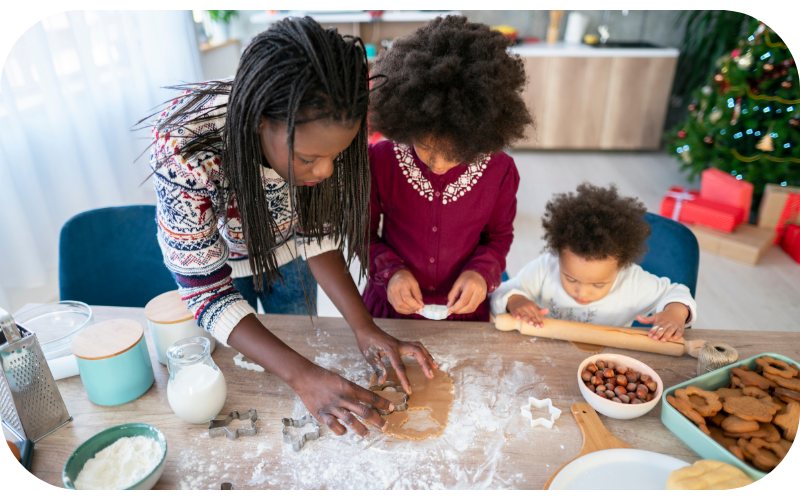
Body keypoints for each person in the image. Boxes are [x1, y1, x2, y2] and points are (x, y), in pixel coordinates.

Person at [147, 18, 435, 437]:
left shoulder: (326, 125)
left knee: (301, 334)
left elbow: (316, 235)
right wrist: (303, 377)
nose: (325, 169)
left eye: (336, 155)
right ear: (260, 122)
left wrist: (363, 326)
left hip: (291, 252)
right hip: (221, 265)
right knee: (243, 369)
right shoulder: (184, 146)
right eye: (308, 159)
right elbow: (206, 292)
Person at [363, 16, 533, 322]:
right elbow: (363, 235)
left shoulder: (500, 171)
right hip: (391, 306)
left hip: (464, 311)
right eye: (425, 146)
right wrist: (390, 273)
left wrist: (480, 274)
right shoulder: (381, 160)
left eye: (455, 154)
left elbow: (498, 237)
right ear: (406, 123)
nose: (437, 163)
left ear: (480, 137)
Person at [490, 183, 697, 342]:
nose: (582, 293)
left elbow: (677, 293)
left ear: (621, 266)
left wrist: (674, 312)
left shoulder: (632, 281)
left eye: (598, 285)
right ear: (558, 256)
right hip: (545, 350)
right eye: (570, 278)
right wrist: (515, 300)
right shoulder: (546, 268)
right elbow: (502, 291)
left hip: (607, 359)